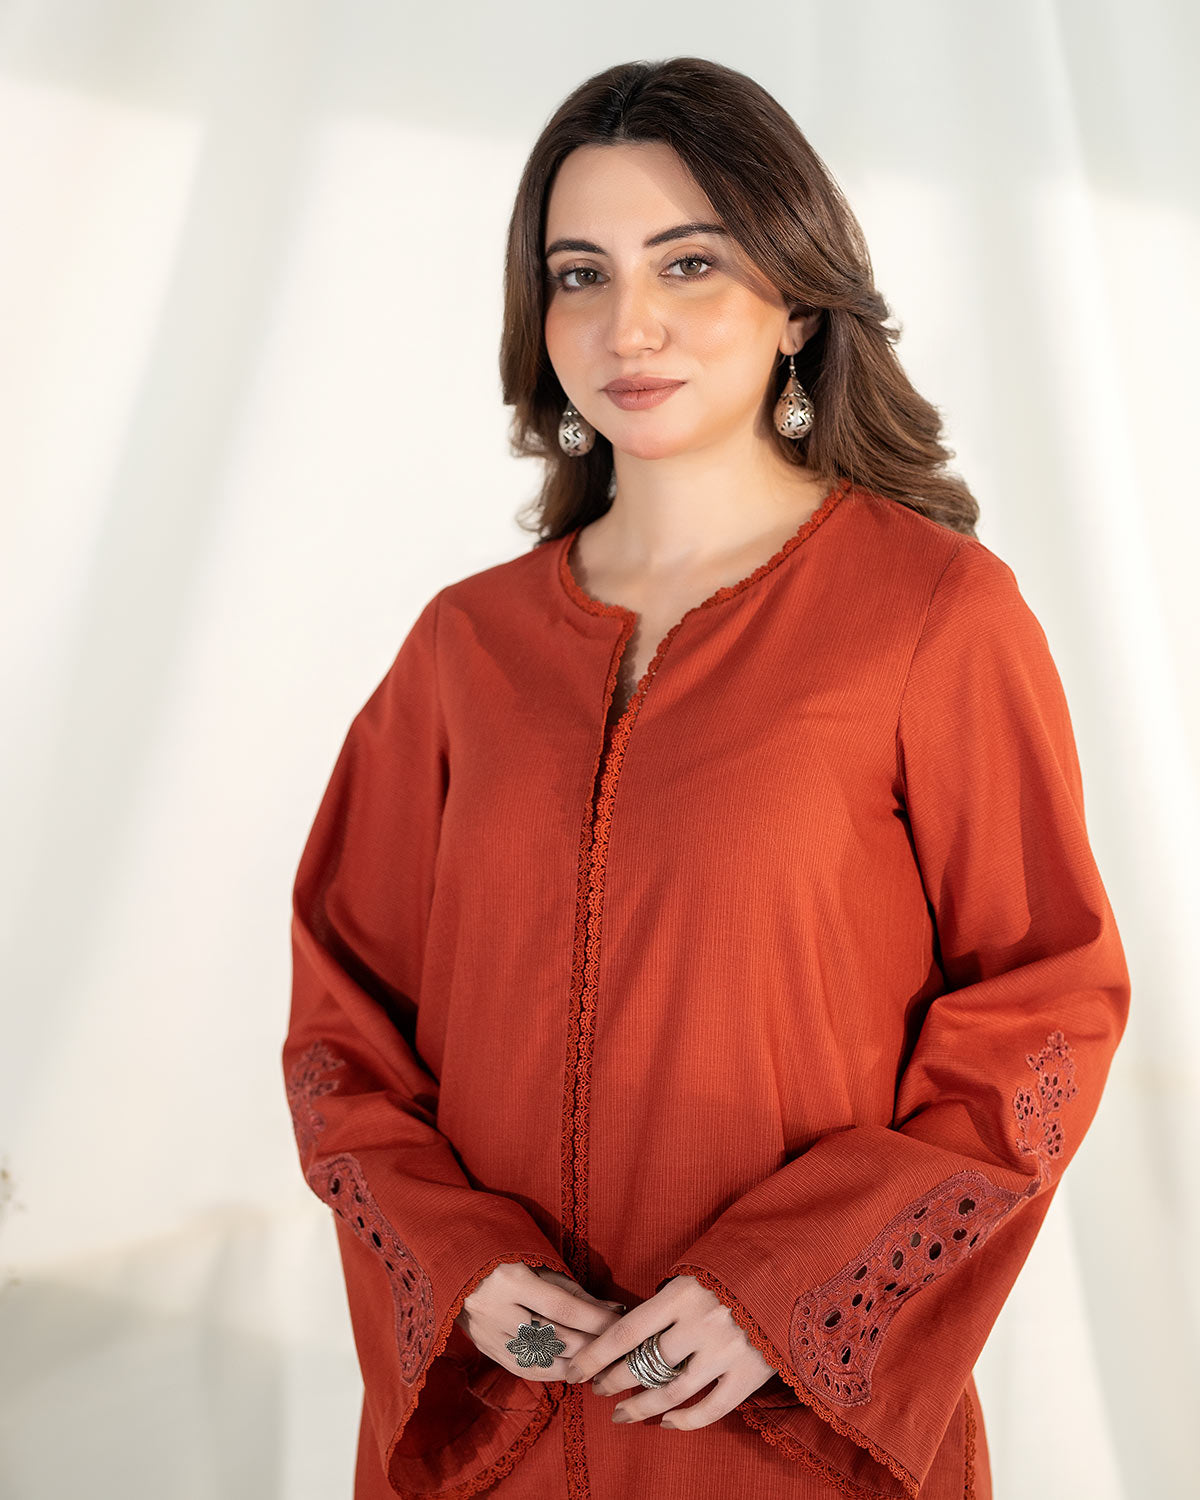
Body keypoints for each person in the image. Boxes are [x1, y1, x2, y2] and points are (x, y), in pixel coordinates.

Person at [281, 56, 1131, 1500]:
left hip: (782, 1433)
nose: (631, 324)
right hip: (499, 1430)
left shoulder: (934, 613)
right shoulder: (463, 648)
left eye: (689, 261)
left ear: (796, 298)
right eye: (581, 274)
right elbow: (342, 1032)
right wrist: (461, 1265)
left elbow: (1044, 1005)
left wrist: (788, 1288)